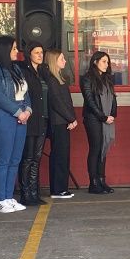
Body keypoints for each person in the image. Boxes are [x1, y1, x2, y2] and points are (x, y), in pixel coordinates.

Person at [0, 36, 31, 213]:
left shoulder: (17, 69)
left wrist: (27, 110)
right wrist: (18, 112)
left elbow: (26, 93)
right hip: (3, 117)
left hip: (21, 117)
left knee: (15, 159)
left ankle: (9, 196)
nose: (16, 52)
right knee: (2, 159)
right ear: (4, 50)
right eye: (13, 49)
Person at [17, 41, 49, 205]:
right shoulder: (24, 72)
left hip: (43, 119)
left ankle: (34, 192)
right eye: (36, 52)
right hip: (30, 119)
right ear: (29, 54)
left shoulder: (43, 72)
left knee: (36, 158)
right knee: (28, 158)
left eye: (41, 52)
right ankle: (25, 193)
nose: (40, 55)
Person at [81, 51, 117, 194]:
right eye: (103, 61)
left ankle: (102, 180)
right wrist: (102, 117)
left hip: (107, 118)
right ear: (95, 62)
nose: (106, 65)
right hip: (93, 118)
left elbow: (113, 98)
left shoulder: (107, 79)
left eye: (107, 62)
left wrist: (113, 114)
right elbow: (90, 101)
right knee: (96, 148)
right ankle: (93, 182)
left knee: (104, 149)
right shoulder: (87, 79)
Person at [45, 49, 77, 199]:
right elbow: (57, 103)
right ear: (54, 61)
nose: (65, 61)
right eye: (62, 59)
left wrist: (71, 118)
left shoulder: (60, 79)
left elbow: (67, 102)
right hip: (58, 122)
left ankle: (61, 187)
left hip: (64, 121)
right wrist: (71, 118)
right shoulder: (52, 80)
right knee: (59, 155)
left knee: (64, 155)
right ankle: (58, 189)